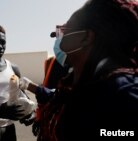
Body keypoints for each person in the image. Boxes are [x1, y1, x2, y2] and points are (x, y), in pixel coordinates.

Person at [20, 0, 138, 140]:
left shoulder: (123, 95)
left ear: (86, 37)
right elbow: (62, 99)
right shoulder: (80, 80)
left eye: (66, 30)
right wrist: (30, 87)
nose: (59, 38)